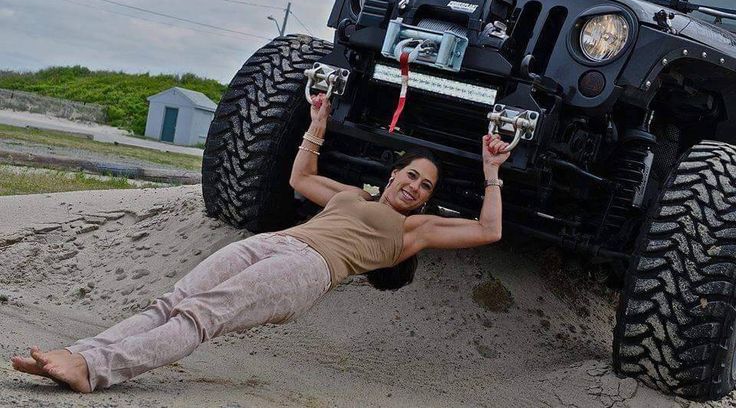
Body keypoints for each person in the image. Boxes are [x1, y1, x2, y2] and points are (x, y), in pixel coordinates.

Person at [9, 93, 510, 393]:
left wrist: (492, 172)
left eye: (425, 188)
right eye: (412, 175)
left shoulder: (413, 231)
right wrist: (317, 122)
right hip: (274, 243)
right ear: (395, 172)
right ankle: (74, 354)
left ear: (424, 201)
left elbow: (489, 230)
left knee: (200, 317)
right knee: (171, 303)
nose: (415, 187)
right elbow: (302, 177)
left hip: (308, 269)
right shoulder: (356, 194)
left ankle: (92, 370)